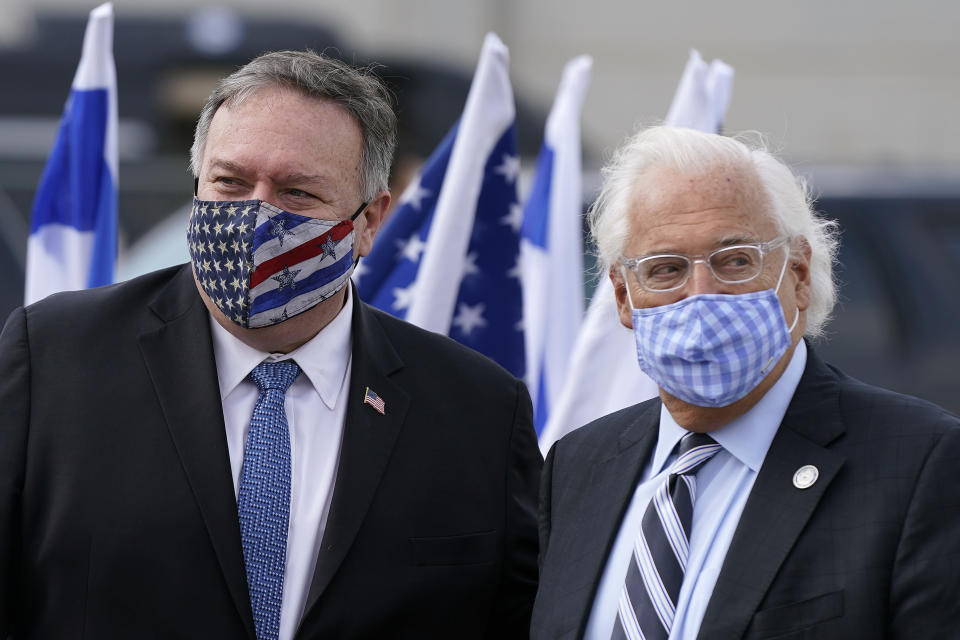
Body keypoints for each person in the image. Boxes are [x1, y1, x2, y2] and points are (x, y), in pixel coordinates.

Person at [0, 50, 541, 639]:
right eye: (230, 182)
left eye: (297, 193)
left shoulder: (477, 410)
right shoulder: (56, 358)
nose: (256, 215)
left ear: (369, 222)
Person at [530, 126, 960, 639]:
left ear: (798, 274)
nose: (701, 295)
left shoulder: (919, 463)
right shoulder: (579, 466)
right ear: (624, 297)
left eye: (735, 261)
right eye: (665, 269)